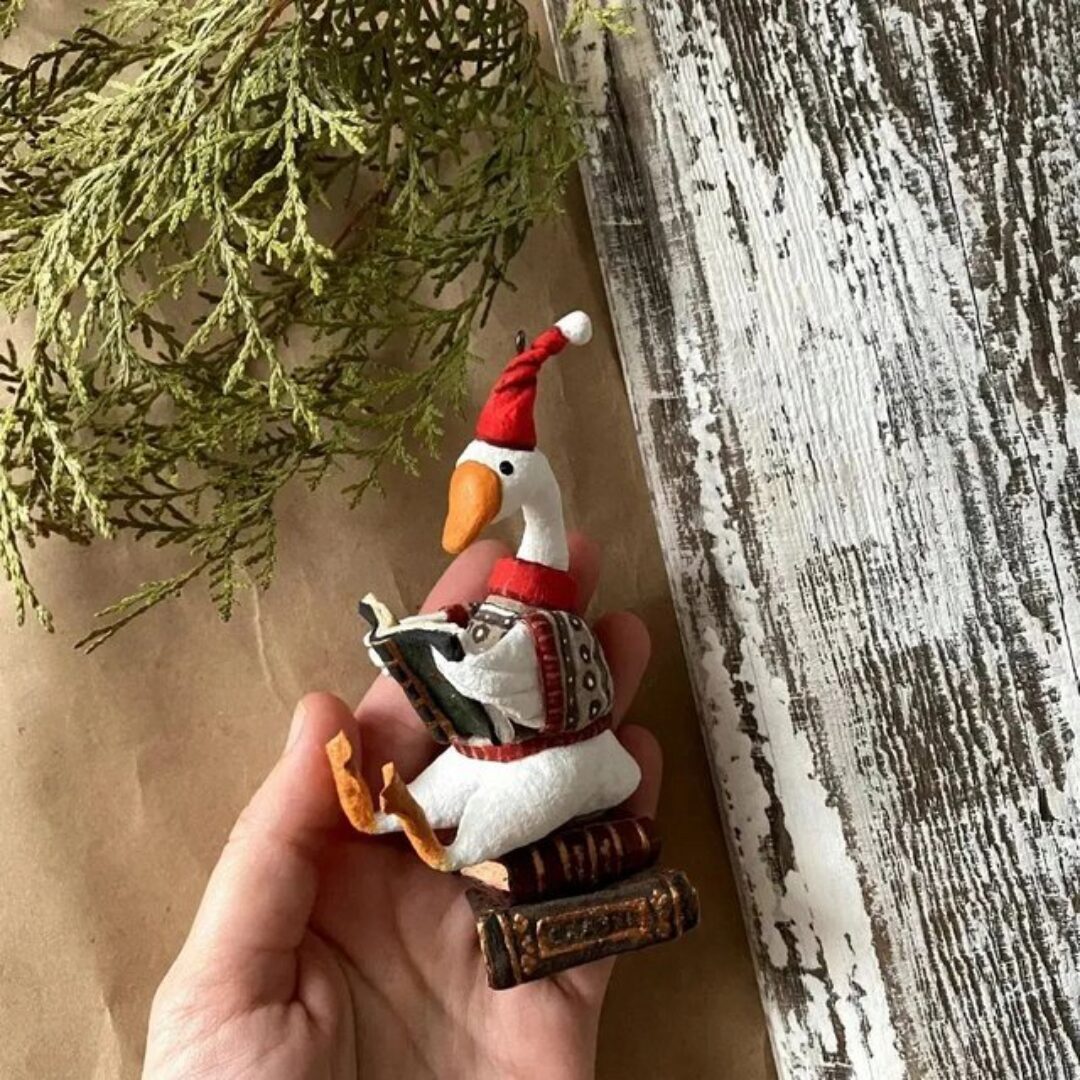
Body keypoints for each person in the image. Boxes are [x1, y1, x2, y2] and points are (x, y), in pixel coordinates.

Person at [143, 536, 661, 1079]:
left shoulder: (542, 673)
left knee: (492, 805)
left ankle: (428, 837)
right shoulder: (490, 668)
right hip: (490, 756)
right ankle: (399, 823)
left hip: (540, 759)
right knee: (440, 800)